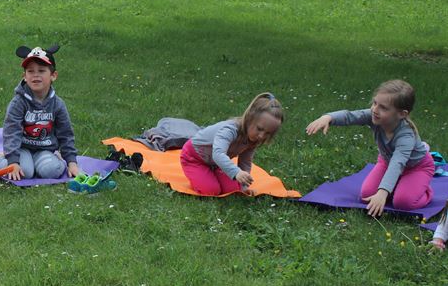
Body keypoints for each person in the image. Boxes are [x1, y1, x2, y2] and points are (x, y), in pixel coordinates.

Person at [306, 79, 434, 217]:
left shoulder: (406, 136)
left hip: (416, 167)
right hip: (387, 161)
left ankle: (424, 190)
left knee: (403, 203)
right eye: (374, 103)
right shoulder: (375, 116)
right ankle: (397, 184)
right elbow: (350, 116)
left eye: (383, 108)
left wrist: (383, 192)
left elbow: (397, 163)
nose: (375, 110)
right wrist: (328, 117)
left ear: (402, 114)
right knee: (367, 195)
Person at [0, 45, 80, 181]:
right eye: (30, 71)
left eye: (41, 70)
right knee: (25, 172)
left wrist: (72, 162)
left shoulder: (57, 104)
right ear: (25, 76)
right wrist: (13, 161)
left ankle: (55, 158)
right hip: (22, 148)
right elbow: (11, 132)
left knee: (52, 171)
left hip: (45, 149)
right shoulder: (18, 103)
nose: (36, 75)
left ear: (53, 76)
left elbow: (66, 134)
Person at [181, 93, 284, 195]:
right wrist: (236, 172)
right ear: (249, 118)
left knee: (234, 190)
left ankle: (212, 171)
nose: (261, 136)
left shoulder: (253, 139)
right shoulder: (229, 130)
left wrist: (244, 187)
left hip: (215, 163)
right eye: (259, 129)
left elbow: (245, 162)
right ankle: (202, 172)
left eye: (268, 133)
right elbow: (218, 154)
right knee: (211, 190)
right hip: (194, 158)